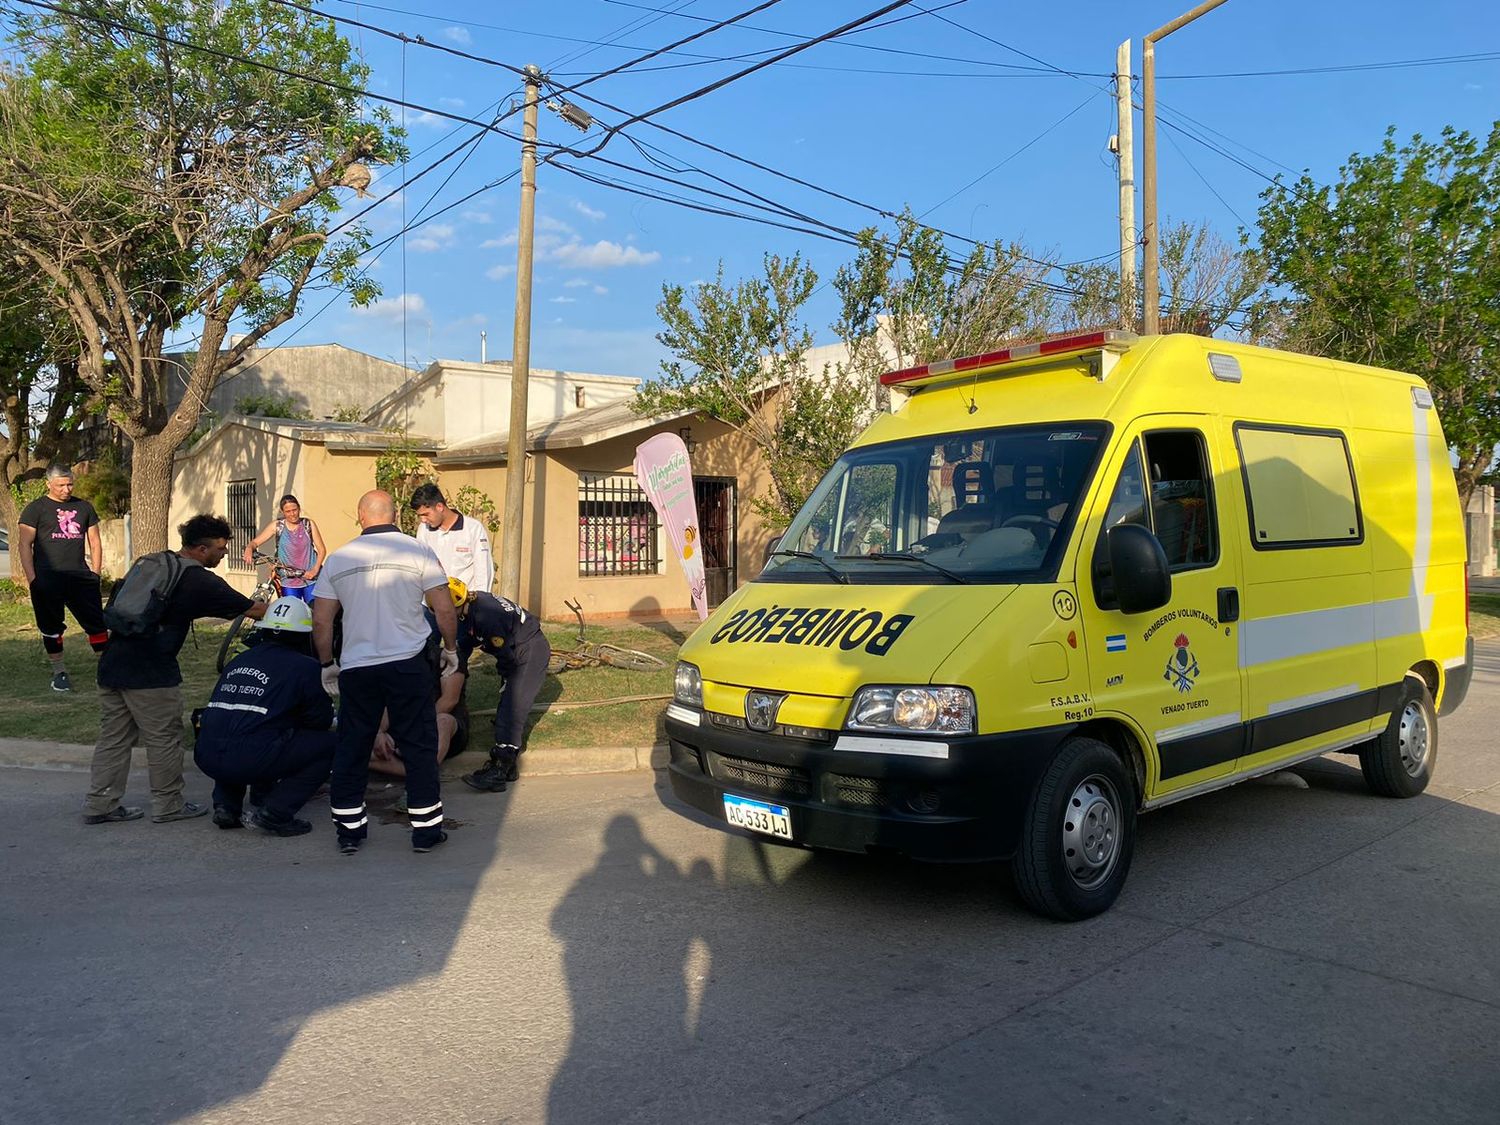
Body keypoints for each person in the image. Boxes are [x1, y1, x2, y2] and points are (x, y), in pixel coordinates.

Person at [83, 515, 267, 825]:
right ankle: (168, 805)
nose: (223, 555)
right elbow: (254, 609)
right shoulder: (199, 580)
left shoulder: (154, 563)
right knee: (164, 737)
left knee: (113, 737)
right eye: (219, 549)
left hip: (113, 663)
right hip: (151, 671)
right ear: (199, 548)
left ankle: (99, 804)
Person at [313, 490, 459, 855]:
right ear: (394, 515)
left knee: (353, 744)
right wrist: (451, 649)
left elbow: (321, 620)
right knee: (419, 743)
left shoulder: (338, 560)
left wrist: (326, 664)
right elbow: (443, 609)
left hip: (358, 666)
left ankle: (349, 831)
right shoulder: (417, 551)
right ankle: (425, 830)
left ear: (361, 516)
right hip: (407, 662)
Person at [193, 596, 337, 837]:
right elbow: (319, 721)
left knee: (237, 727)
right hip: (251, 757)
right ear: (304, 635)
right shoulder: (305, 668)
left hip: (207, 754)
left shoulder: (240, 660)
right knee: (330, 745)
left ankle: (226, 806)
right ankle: (276, 812)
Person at [18, 464, 110, 692]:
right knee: (51, 627)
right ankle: (59, 671)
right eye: (61, 485)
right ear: (48, 484)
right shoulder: (35, 509)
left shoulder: (84, 507)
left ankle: (107, 670)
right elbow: (24, 545)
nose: (66, 489)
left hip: (80, 578)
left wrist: (95, 574)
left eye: (70, 484)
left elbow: (95, 542)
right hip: (47, 579)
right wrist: (32, 579)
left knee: (97, 624)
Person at [369, 581, 472, 782]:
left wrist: (412, 727)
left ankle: (421, 773)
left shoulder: (447, 657)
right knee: (360, 746)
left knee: (442, 721)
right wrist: (380, 731)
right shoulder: (397, 660)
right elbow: (392, 700)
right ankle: (412, 770)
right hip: (406, 724)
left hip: (443, 724)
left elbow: (449, 702)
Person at [458, 581, 552, 795]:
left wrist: (506, 678)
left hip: (528, 650)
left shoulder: (486, 616)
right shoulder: (473, 604)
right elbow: (466, 640)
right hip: (519, 645)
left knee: (513, 706)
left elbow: (505, 657)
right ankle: (509, 769)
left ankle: (500, 767)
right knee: (508, 703)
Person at [410, 483, 494, 594]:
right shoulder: (423, 529)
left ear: (439, 507)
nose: (423, 520)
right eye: (420, 516)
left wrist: (481, 601)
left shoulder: (473, 528)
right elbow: (421, 567)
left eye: (426, 514)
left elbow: (483, 569)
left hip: (467, 603)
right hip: (434, 604)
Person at [242, 493, 326, 603]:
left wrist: (314, 570)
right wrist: (249, 549)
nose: (292, 514)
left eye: (295, 510)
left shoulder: (308, 524)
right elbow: (255, 542)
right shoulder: (277, 526)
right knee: (291, 612)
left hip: (310, 579)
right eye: (288, 511)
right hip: (289, 581)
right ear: (282, 512)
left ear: (299, 508)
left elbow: (321, 550)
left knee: (313, 612)